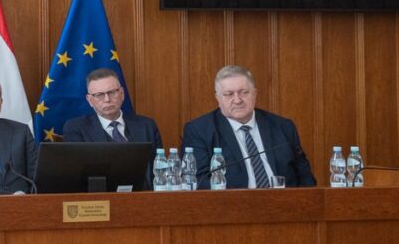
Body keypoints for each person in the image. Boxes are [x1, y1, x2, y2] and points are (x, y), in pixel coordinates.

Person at [182, 64, 315, 189]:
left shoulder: (283, 126)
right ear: (218, 98)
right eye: (229, 94)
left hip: (285, 204)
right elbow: (198, 180)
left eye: (243, 92)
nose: (237, 100)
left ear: (255, 94)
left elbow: (305, 176)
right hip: (231, 207)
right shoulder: (199, 130)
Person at [62, 68, 163, 146]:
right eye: (99, 95)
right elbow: (79, 169)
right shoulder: (76, 128)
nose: (107, 99)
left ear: (122, 94)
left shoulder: (147, 126)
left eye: (112, 92)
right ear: (90, 100)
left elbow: (159, 168)